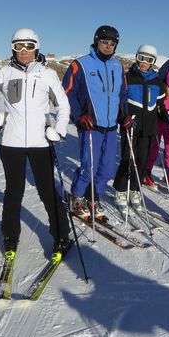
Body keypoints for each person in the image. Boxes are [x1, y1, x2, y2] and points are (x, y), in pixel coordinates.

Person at [0, 28, 71, 257]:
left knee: (47, 191)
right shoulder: (5, 73)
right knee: (14, 192)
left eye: (29, 46)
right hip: (11, 142)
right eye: (19, 46)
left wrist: (59, 130)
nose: (24, 51)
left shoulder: (47, 74)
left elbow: (63, 106)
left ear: (36, 48)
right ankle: (10, 236)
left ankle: (61, 235)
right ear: (13, 49)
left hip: (40, 142)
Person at [62, 25, 130, 222]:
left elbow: (122, 94)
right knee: (88, 167)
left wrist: (124, 116)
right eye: (104, 41)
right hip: (90, 125)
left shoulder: (118, 66)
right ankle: (77, 197)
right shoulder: (80, 64)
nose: (108, 46)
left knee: (107, 169)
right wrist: (79, 116)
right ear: (96, 41)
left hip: (111, 127)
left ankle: (93, 197)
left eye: (112, 43)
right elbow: (67, 92)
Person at [112, 45, 169, 212]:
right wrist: (122, 118)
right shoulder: (127, 78)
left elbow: (160, 104)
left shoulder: (157, 82)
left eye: (148, 59)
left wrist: (164, 114)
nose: (144, 62)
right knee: (127, 159)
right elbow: (119, 102)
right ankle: (121, 190)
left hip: (149, 128)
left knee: (142, 161)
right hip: (130, 125)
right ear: (136, 57)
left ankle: (135, 190)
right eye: (141, 58)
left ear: (153, 62)